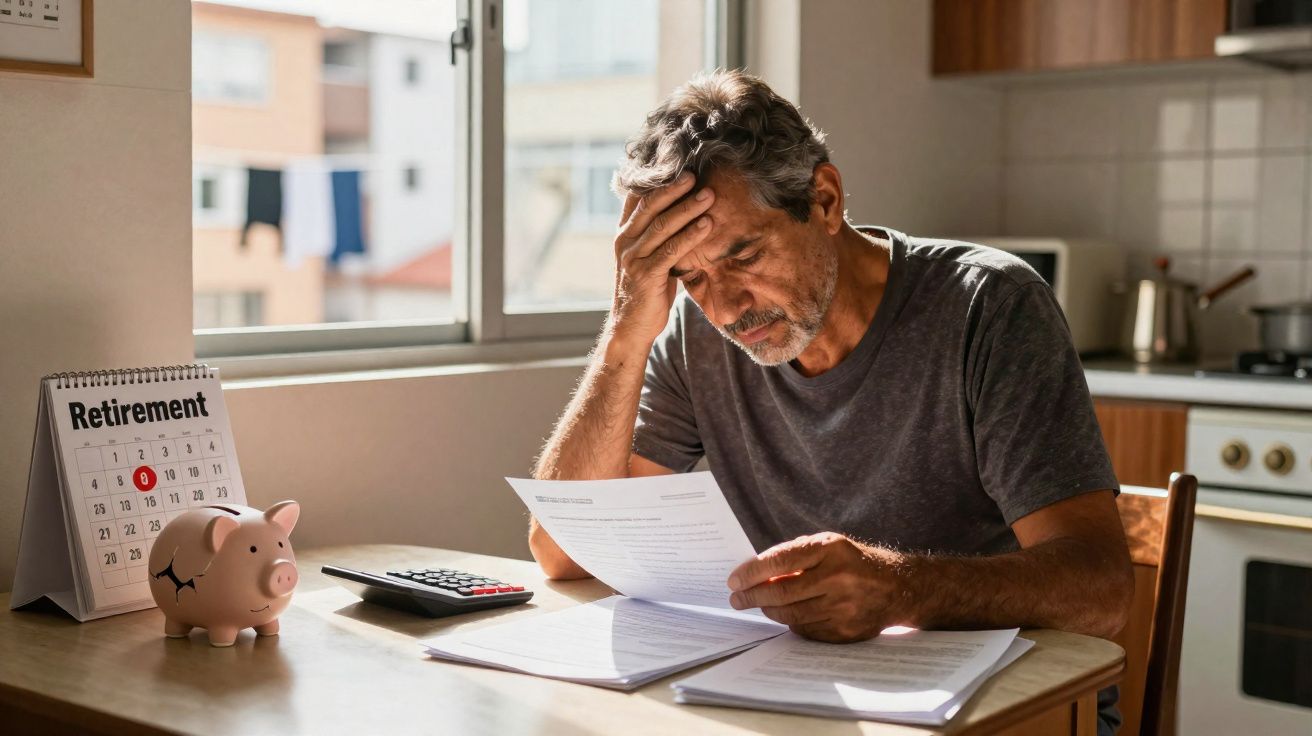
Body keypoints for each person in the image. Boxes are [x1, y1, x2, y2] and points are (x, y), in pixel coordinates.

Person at [528, 70, 1132, 734]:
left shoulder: (989, 306)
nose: (726, 307)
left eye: (745, 256)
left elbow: (1101, 591)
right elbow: (563, 552)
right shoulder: (696, 331)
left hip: (1011, 712)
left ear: (824, 198)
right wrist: (625, 328)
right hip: (807, 706)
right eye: (689, 275)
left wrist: (902, 590)